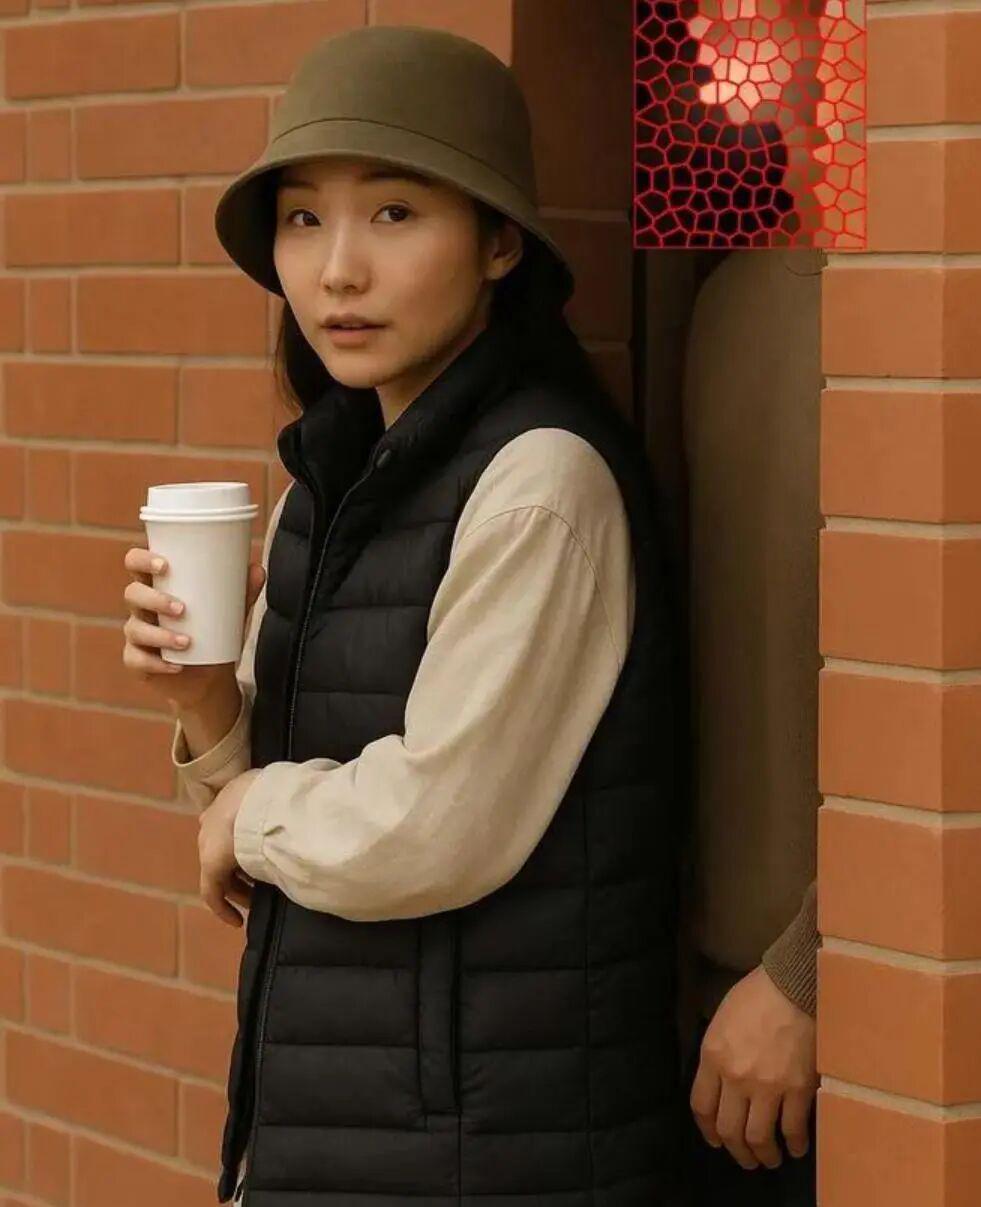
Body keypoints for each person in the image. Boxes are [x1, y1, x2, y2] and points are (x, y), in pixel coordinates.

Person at [122, 25, 687, 1206]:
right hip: (337, 1129)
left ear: (498, 243)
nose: (337, 271)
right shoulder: (323, 484)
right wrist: (203, 703)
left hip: (492, 1150)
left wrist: (248, 811)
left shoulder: (541, 483)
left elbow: (437, 824)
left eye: (393, 213)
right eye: (303, 219)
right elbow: (260, 810)